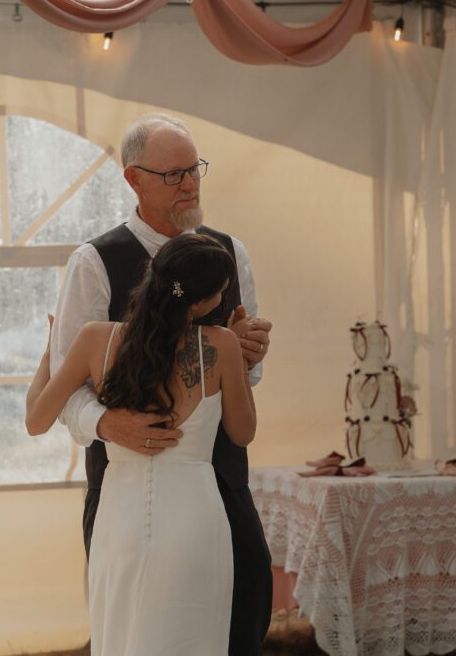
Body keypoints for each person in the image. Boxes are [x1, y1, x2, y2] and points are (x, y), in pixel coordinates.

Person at [41, 113, 274, 655]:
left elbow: (244, 376)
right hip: (126, 491)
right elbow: (64, 385)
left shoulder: (230, 253)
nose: (191, 184)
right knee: (136, 633)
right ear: (134, 179)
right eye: (174, 175)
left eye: (195, 170)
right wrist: (104, 421)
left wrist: (248, 356)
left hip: (216, 483)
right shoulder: (94, 262)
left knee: (243, 619)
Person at [27, 234, 255, 654]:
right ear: (201, 303)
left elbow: (37, 419)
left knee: (123, 636)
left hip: (121, 519)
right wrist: (239, 362)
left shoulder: (96, 339)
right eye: (220, 294)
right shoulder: (222, 345)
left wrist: (50, 352)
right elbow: (242, 433)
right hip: (196, 519)